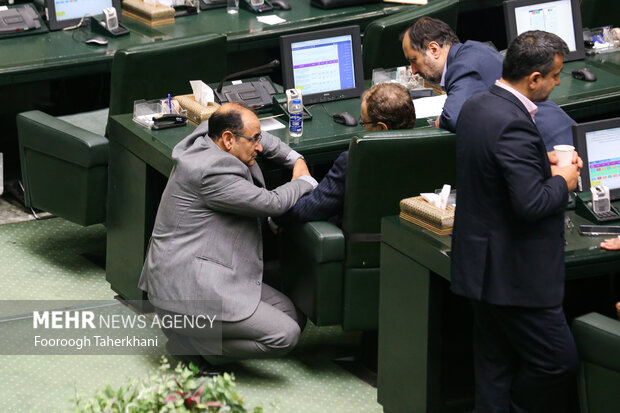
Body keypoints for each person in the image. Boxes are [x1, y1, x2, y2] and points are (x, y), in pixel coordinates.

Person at [450, 31, 582, 412]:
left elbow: (499, 167)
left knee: (494, 366)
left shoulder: (477, 106)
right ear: (535, 79)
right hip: (518, 276)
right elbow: (532, 203)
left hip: (481, 268)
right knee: (557, 362)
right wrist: (563, 180)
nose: (559, 82)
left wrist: (543, 161)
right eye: (555, 75)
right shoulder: (514, 123)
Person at [138, 102, 318, 367]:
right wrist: (303, 181)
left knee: (293, 317)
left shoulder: (208, 131)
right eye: (253, 141)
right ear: (228, 139)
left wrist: (295, 159)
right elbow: (271, 203)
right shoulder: (211, 171)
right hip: (186, 286)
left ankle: (197, 336)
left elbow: (263, 137)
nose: (259, 147)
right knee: (285, 335)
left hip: (209, 267)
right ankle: (190, 343)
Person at [401, 16, 575, 151]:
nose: (414, 70)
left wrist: (441, 121)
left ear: (433, 49)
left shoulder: (463, 65)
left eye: (414, 60)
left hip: (551, 143)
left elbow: (453, 118)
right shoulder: (473, 49)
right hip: (554, 134)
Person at [273, 82, 416, 227]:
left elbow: (311, 208)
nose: (361, 124)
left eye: (364, 122)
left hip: (360, 242)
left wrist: (275, 216)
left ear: (381, 128)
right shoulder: (429, 152)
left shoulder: (352, 160)